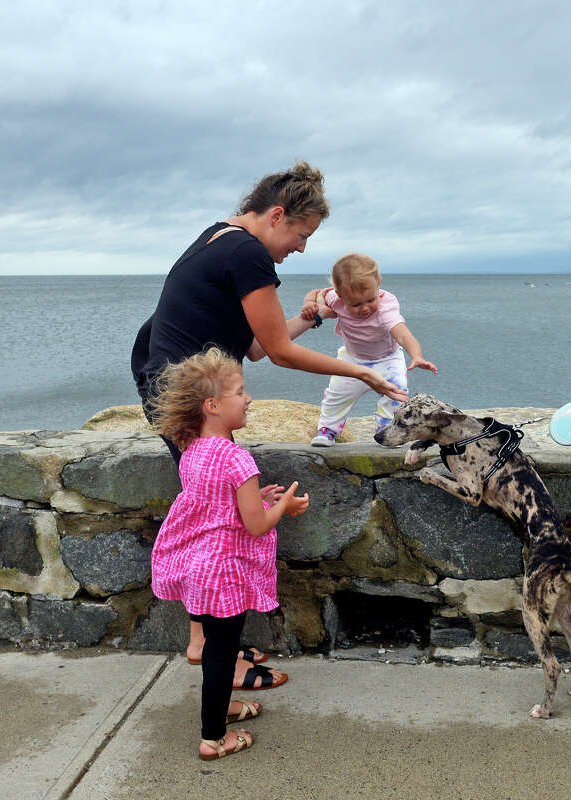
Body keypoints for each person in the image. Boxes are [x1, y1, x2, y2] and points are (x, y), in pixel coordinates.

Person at [131, 163, 408, 688]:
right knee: (221, 524)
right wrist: (361, 371)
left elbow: (257, 346)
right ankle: (209, 647)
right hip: (193, 399)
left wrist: (314, 318)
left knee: (213, 509)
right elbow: (279, 353)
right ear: (277, 215)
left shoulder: (220, 237)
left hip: (177, 387)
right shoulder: (247, 252)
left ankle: (208, 640)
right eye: (302, 234)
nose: (301, 248)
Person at [148, 348, 310, 760]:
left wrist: (259, 497)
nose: (249, 398)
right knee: (222, 656)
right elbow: (255, 525)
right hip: (224, 575)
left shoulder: (193, 450)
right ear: (213, 405)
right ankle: (213, 738)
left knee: (218, 651)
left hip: (197, 568)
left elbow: (216, 504)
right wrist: (283, 507)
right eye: (240, 392)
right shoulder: (238, 459)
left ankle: (223, 709)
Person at [300, 253, 437, 446]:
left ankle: (386, 429)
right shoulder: (335, 298)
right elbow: (317, 293)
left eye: (370, 300)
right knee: (337, 395)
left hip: (387, 359)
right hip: (352, 358)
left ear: (378, 283)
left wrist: (416, 355)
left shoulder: (385, 308)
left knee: (397, 393)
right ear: (340, 295)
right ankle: (327, 430)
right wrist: (309, 303)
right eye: (355, 304)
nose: (365, 308)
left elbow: (402, 333)